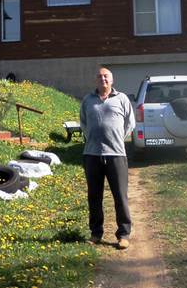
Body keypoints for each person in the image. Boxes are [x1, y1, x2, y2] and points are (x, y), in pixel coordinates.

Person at [79, 67, 135, 250]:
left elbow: (130, 123)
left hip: (116, 154)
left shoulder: (122, 99)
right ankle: (96, 233)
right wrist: (93, 139)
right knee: (94, 197)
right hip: (92, 155)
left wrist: (117, 138)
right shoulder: (88, 100)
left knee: (120, 196)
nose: (103, 79)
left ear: (112, 80)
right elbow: (83, 123)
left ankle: (124, 234)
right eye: (100, 76)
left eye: (106, 76)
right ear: (96, 80)